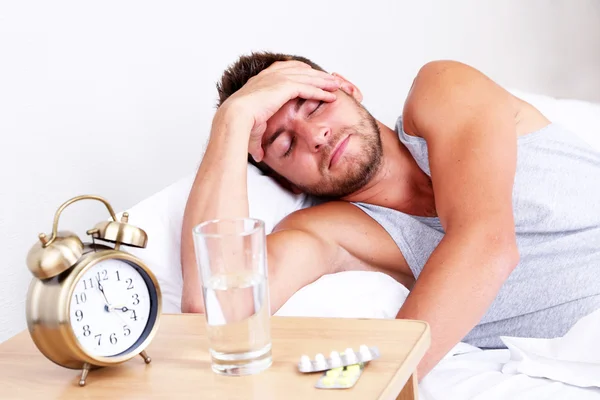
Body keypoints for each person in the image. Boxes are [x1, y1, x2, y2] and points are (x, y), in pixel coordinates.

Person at [180, 52, 600, 379]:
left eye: (312, 107)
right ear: (286, 182)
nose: (316, 137)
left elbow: (487, 246)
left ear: (346, 87)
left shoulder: (442, 89)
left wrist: (382, 385)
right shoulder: (334, 232)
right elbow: (215, 309)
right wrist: (231, 124)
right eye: (285, 146)